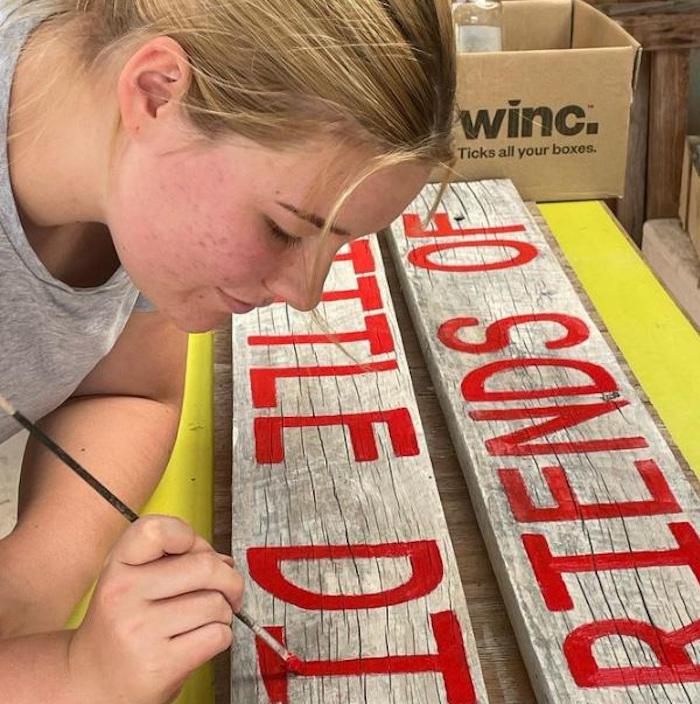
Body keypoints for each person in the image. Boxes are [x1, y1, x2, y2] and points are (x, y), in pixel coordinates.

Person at [0, 0, 456, 702]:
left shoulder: (123, 169)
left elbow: (128, 392)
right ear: (155, 93)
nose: (307, 294)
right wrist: (69, 678)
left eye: (339, 241)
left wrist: (32, 585)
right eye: (284, 228)